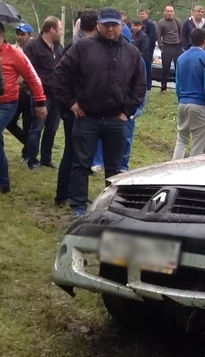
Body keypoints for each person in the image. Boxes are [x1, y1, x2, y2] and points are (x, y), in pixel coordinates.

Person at [54, 7, 146, 215]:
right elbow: (60, 74)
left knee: (114, 168)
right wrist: (71, 102)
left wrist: (128, 111)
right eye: (106, 25)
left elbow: (140, 84)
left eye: (114, 25)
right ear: (98, 25)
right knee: (81, 163)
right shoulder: (83, 47)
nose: (110, 29)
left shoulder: (131, 52)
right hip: (87, 117)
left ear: (122, 26)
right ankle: (78, 204)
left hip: (116, 119)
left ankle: (110, 206)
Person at [54, 9, 97, 206]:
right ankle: (64, 193)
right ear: (96, 26)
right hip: (74, 109)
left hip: (78, 107)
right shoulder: (78, 46)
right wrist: (71, 103)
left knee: (79, 152)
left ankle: (74, 191)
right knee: (73, 151)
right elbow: (61, 78)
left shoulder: (82, 45)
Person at [0, 22, 47, 193]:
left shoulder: (15, 54)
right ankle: (4, 182)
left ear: (2, 36)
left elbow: (33, 78)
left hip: (7, 104)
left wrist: (41, 102)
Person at [23, 16, 64, 170]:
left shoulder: (58, 47)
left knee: (52, 129)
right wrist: (34, 89)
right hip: (41, 94)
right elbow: (26, 70)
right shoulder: (33, 46)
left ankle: (46, 158)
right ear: (51, 29)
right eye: (60, 29)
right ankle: (32, 159)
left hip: (56, 94)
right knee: (37, 127)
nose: (61, 32)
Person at [173, 28, 205, 159]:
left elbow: (178, 85)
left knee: (181, 140)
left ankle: (174, 167)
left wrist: (181, 99)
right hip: (199, 104)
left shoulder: (181, 58)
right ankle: (192, 173)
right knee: (198, 143)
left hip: (183, 103)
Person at [6, 23, 34, 158]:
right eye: (18, 34)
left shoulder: (34, 49)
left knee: (28, 123)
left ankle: (28, 152)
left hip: (29, 91)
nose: (19, 37)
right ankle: (29, 143)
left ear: (30, 35)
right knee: (10, 122)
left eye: (23, 34)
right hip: (15, 91)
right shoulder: (12, 49)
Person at [156, 5, 183, 93]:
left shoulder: (178, 21)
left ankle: (179, 87)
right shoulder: (161, 22)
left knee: (178, 68)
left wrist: (181, 44)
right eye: (167, 11)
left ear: (173, 12)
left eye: (171, 11)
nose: (169, 13)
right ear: (164, 12)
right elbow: (158, 35)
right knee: (165, 68)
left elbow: (181, 33)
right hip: (167, 46)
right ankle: (163, 88)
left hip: (177, 46)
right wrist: (161, 46)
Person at [138, 8, 157, 90]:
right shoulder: (138, 24)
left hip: (148, 50)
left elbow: (152, 37)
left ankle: (148, 86)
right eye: (140, 13)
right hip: (139, 49)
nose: (142, 15)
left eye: (143, 13)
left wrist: (147, 48)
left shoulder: (150, 24)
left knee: (147, 67)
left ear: (147, 14)